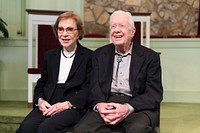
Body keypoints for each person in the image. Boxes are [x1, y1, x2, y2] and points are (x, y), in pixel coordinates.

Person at [73, 10, 163, 133]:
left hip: (136, 106)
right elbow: (93, 86)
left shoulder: (150, 57)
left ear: (132, 31)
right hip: (107, 103)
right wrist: (100, 105)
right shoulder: (99, 55)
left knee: (138, 129)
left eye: (122, 26)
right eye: (113, 26)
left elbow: (154, 93)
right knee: (81, 129)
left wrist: (127, 108)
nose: (116, 30)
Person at [16, 12, 93, 133]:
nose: (64, 34)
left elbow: (89, 88)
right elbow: (41, 83)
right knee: (27, 127)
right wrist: (40, 101)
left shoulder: (89, 56)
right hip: (49, 101)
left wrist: (66, 104)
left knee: (46, 128)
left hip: (72, 105)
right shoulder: (50, 55)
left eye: (70, 29)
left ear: (78, 33)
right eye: (61, 29)